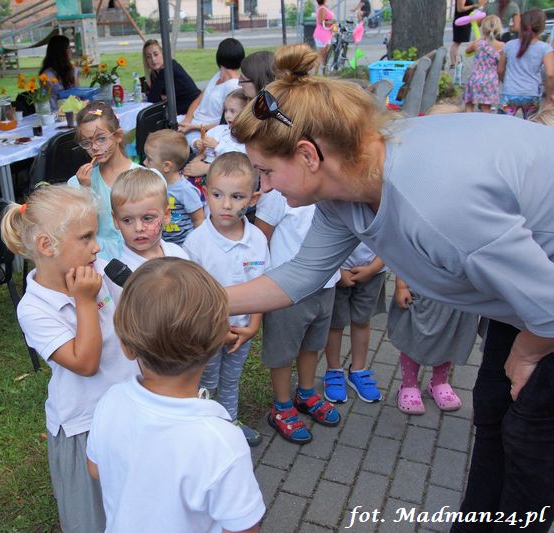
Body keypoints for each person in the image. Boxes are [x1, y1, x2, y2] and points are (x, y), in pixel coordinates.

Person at [228, 43, 554, 532]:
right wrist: (208, 300)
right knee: (492, 410)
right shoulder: (345, 187)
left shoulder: (437, 203)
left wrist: (528, 353)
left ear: (309, 155)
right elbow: (303, 273)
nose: (265, 188)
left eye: (267, 172)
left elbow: (550, 306)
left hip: (545, 302)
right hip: (531, 294)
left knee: (530, 439)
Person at [86, 258, 265, 533]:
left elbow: (96, 469)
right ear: (218, 338)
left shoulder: (111, 401)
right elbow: (243, 527)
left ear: (126, 346)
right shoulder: (222, 442)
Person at [0, 185, 139, 533]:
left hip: (131, 409)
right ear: (47, 246)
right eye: (86, 237)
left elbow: (141, 311)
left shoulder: (101, 269)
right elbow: (85, 363)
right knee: (92, 517)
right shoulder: (34, 308)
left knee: (135, 504)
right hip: (85, 424)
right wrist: (85, 301)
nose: (97, 246)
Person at [183, 152, 269, 447]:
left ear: (252, 199)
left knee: (231, 379)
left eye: (237, 196)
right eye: (217, 195)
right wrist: (214, 328)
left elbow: (261, 286)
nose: (226, 205)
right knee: (205, 380)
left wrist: (253, 326)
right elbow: (192, 297)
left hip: (241, 332)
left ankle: (230, 422)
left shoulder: (257, 239)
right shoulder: (196, 243)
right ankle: (204, 428)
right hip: (206, 334)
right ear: (205, 193)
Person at [254, 188, 341, 444]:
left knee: (312, 345)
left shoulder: (329, 190)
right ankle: (281, 407)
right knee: (282, 352)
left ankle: (305, 393)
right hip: (287, 290)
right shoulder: (279, 194)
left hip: (325, 284)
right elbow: (260, 239)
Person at [391, 275, 479, 414]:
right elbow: (406, 260)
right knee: (413, 337)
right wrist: (401, 285)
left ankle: (439, 382)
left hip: (458, 294)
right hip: (423, 290)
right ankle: (409, 384)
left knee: (449, 337)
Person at [68, 101, 142, 261]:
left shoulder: (145, 178)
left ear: (118, 136)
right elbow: (81, 229)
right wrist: (86, 190)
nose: (94, 147)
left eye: (101, 139)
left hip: (138, 255)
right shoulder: (76, 184)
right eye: (87, 142)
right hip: (99, 259)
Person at [322, 243, 386, 404]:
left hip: (374, 269)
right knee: (335, 324)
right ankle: (334, 370)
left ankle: (358, 370)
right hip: (337, 269)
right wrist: (337, 271)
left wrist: (373, 268)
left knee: (362, 320)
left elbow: (392, 240)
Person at [110, 167, 189, 270]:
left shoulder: (178, 254)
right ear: (115, 220)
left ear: (166, 215)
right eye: (127, 220)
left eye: (147, 218)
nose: (138, 228)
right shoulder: (119, 273)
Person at [178, 38, 244, 147]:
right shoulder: (218, 75)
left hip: (206, 131)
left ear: (219, 55)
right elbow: (198, 100)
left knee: (173, 140)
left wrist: (193, 127)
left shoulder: (233, 86)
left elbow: (225, 123)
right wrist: (187, 120)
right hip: (193, 122)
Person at [143, 129, 205, 245]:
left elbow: (199, 219)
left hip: (184, 245)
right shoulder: (154, 184)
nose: (144, 162)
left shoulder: (185, 190)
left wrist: (198, 244)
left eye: (149, 159)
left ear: (166, 166)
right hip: (162, 244)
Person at [498, 9, 554, 118]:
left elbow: (500, 70)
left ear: (521, 25)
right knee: (530, 124)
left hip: (509, 92)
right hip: (531, 94)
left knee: (503, 124)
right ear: (542, 28)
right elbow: (550, 74)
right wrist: (550, 95)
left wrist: (505, 82)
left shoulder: (509, 45)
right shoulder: (545, 48)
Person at [184, 90, 251, 179]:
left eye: (232, 111)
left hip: (223, 174)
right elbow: (202, 143)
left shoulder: (246, 137)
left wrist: (217, 146)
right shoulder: (219, 129)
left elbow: (239, 159)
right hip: (202, 165)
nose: (227, 115)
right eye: (225, 110)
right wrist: (196, 143)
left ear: (246, 113)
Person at [142, 39, 201, 115]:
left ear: (163, 54)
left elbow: (152, 97)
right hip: (184, 108)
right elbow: (152, 95)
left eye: (156, 54)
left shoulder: (168, 68)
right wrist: (161, 97)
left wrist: (160, 97)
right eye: (148, 57)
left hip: (194, 109)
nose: (153, 59)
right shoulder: (156, 72)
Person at [463, 15, 504, 113]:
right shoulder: (502, 46)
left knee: (469, 104)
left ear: (483, 28)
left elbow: (467, 51)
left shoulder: (478, 43)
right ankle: (484, 122)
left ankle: (468, 120)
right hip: (491, 80)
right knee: (486, 108)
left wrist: (478, 40)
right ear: (498, 29)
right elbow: (502, 65)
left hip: (475, 78)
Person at [39, 34, 77, 109]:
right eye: (68, 48)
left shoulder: (74, 70)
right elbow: (45, 101)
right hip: (55, 113)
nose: (71, 51)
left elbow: (78, 94)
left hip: (74, 110)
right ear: (60, 52)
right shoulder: (46, 75)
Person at [450, 0, 484, 71]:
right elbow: (460, 9)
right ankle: (453, 63)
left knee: (458, 43)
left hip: (466, 20)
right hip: (461, 21)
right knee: (456, 42)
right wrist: (473, 6)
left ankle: (456, 62)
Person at [313, 0, 335, 72]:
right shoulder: (322, 8)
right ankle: (316, 72)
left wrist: (331, 22)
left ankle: (324, 70)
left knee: (325, 54)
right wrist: (332, 22)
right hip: (321, 34)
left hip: (327, 33)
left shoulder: (324, 7)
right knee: (321, 53)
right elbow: (321, 21)